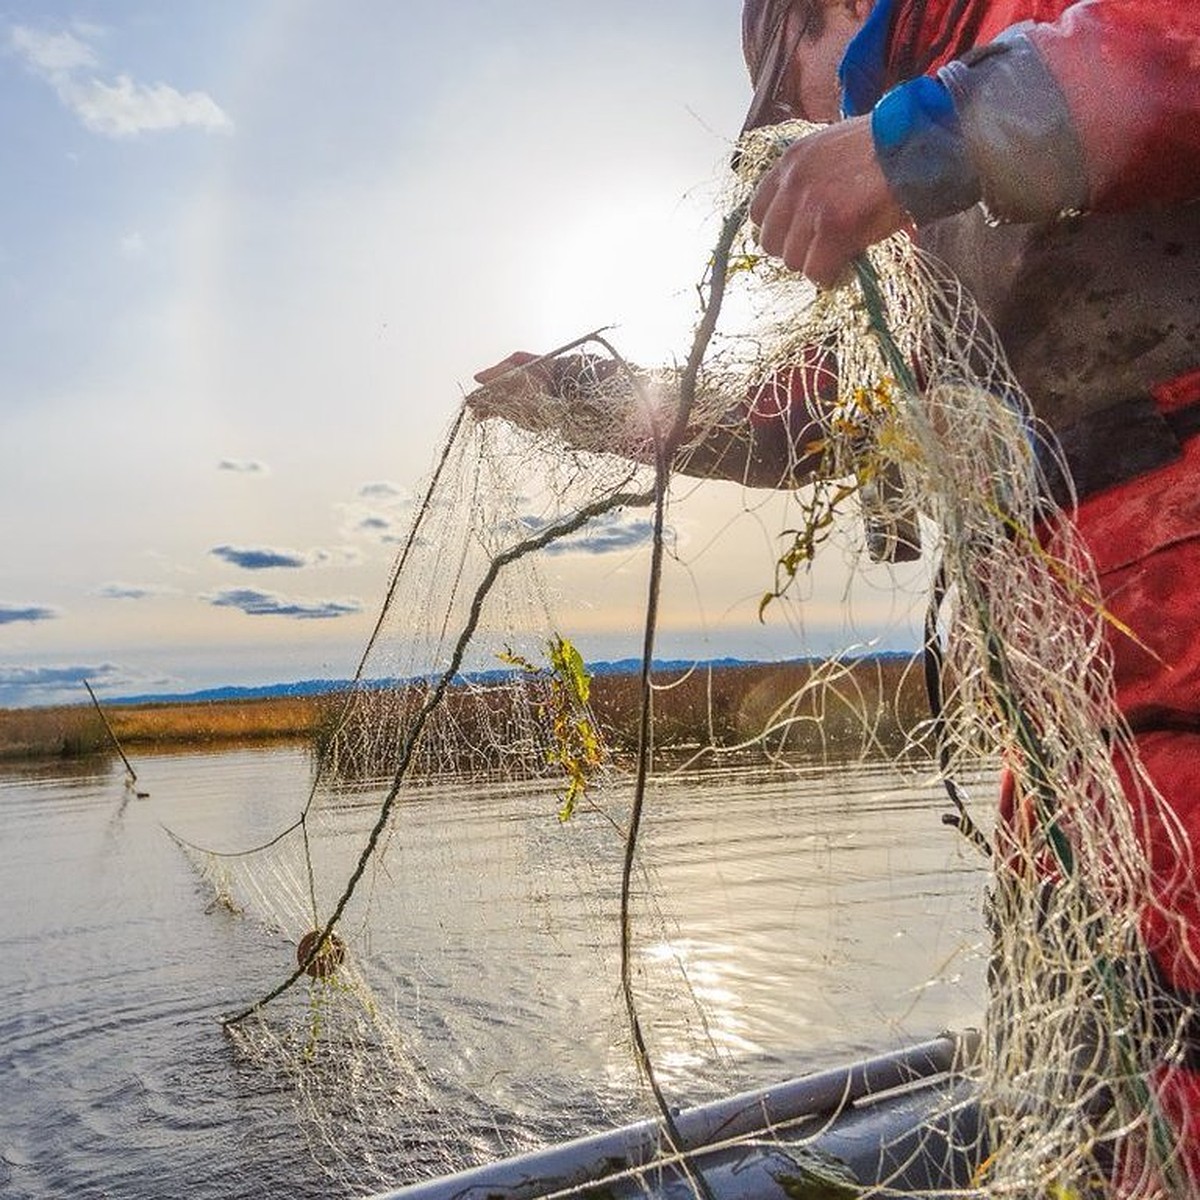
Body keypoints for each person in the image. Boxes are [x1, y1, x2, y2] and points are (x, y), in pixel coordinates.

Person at [474, 0, 1200, 1183]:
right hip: (1079, 729)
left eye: (791, 99)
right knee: (1099, 1049)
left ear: (833, 17)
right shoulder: (918, 250)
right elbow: (801, 408)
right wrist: (582, 398)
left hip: (1176, 657)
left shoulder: (1007, 31)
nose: (802, 131)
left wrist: (923, 135)